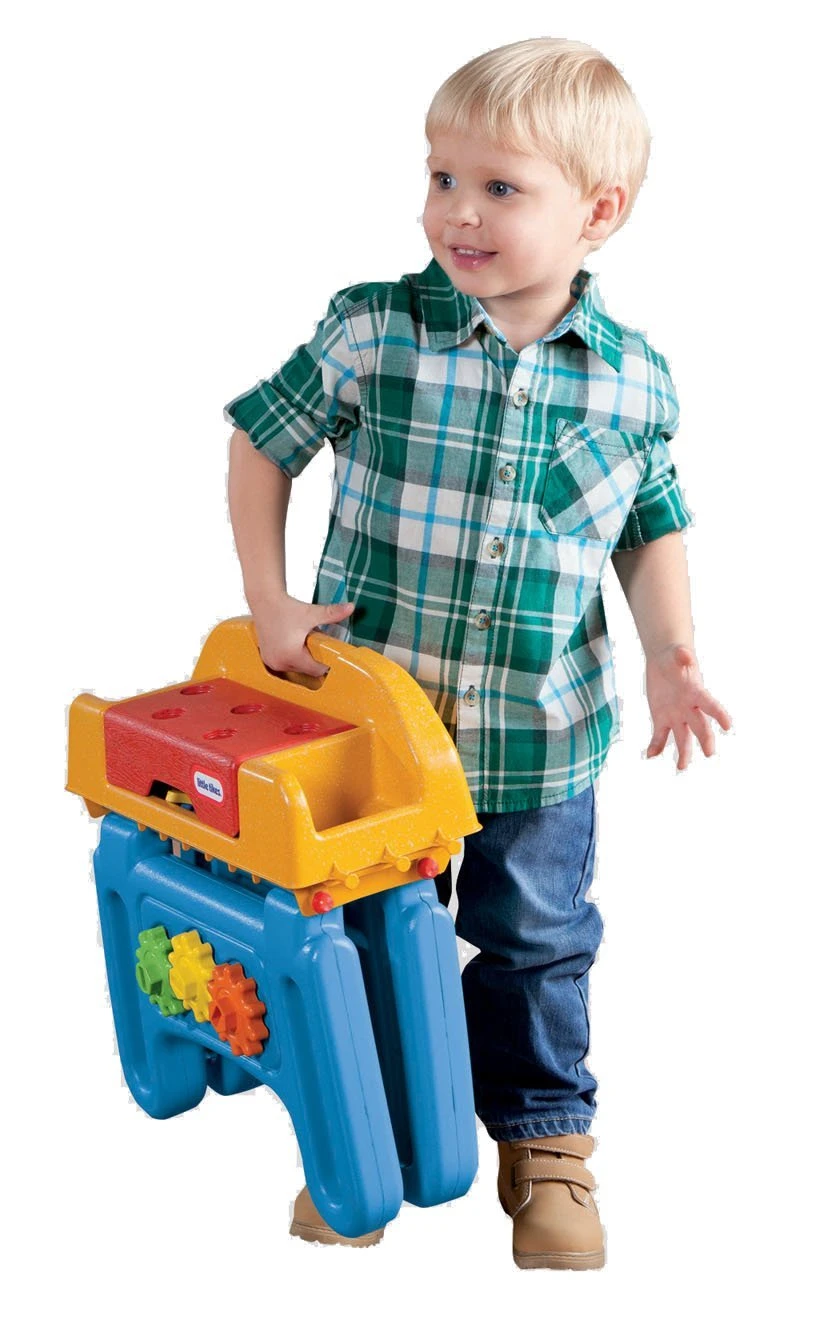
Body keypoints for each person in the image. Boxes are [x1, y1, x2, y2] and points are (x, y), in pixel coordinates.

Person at [224, 36, 731, 1271]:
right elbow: (259, 442)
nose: (455, 210)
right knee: (360, 929)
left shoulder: (630, 381)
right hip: (369, 731)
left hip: (536, 734)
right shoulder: (374, 330)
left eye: (499, 187)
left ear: (596, 212)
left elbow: (648, 527)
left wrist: (671, 652)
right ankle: (367, 1132)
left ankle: (544, 1141)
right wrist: (268, 602)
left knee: (536, 942)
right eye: (440, 177)